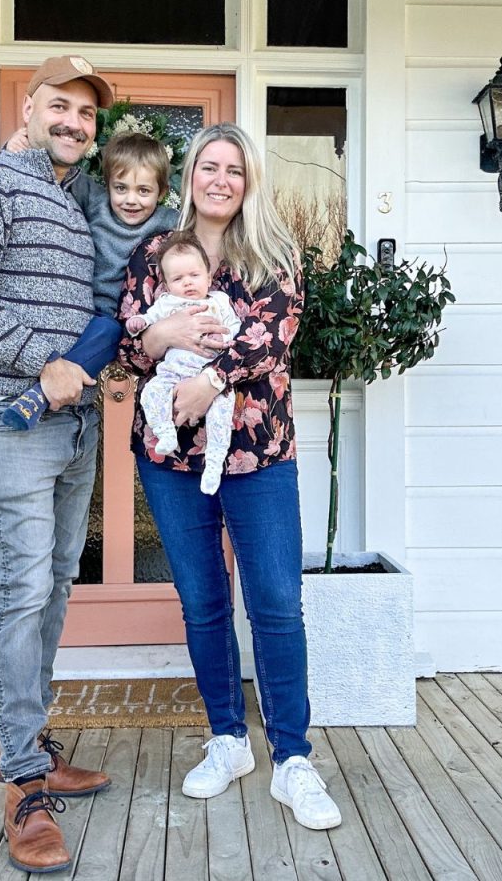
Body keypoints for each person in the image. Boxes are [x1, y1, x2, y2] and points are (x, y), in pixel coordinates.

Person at [117, 122, 342, 831]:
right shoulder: (154, 251)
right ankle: (227, 740)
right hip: (169, 458)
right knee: (203, 600)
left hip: (260, 452)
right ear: (190, 177)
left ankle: (294, 758)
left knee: (276, 602)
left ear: (249, 181)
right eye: (208, 166)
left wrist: (208, 380)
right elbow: (128, 338)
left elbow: (272, 336)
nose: (220, 179)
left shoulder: (273, 252)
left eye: (234, 169)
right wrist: (162, 336)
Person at [0, 55, 116, 874]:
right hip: (8, 419)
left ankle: (29, 743)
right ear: (29, 106)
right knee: (21, 590)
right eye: (60, 106)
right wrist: (44, 361)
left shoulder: (73, 202)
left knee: (56, 585)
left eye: (86, 113)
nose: (74, 121)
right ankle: (22, 785)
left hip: (75, 425)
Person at [0, 130, 179, 430]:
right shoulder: (96, 202)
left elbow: (203, 227)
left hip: (112, 320)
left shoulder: (168, 220)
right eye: (120, 188)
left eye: (143, 191)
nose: (130, 200)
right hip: (73, 308)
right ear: (107, 185)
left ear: (161, 193)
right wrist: (19, 146)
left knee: (105, 335)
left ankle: (37, 399)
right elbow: (57, 170)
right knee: (40, 352)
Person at [124, 231, 241, 494]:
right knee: (151, 393)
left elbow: (236, 329)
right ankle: (165, 431)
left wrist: (226, 337)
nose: (187, 283)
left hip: (210, 374)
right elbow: (146, 321)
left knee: (221, 413)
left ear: (209, 277)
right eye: (178, 278)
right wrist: (138, 324)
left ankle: (214, 462)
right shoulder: (167, 303)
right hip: (173, 373)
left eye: (194, 276)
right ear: (166, 285)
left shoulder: (219, 301)